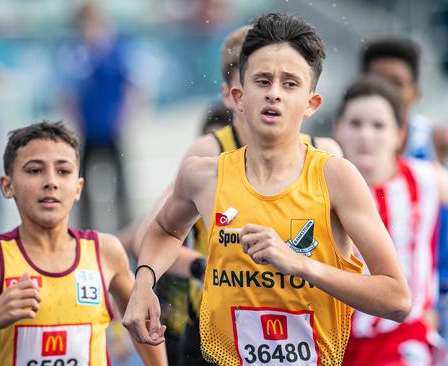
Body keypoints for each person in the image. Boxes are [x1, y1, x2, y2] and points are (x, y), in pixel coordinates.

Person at [123, 13, 412, 366]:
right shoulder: (203, 175)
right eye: (263, 81)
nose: (274, 93)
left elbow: (397, 299)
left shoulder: (336, 177)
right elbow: (164, 229)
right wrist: (144, 282)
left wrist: (302, 265)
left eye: (290, 83)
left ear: (311, 103)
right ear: (238, 96)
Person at [0, 121, 166, 365]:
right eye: (35, 170)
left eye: (63, 171)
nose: (51, 181)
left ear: (78, 188)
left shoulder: (105, 251)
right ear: (7, 186)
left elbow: (144, 329)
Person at [334, 76, 448, 365]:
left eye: (378, 126)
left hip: (402, 336)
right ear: (338, 129)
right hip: (335, 341)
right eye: (355, 124)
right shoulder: (322, 186)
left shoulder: (423, 179)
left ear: (399, 135)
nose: (366, 135)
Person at [62, 2, 133, 231]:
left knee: (121, 184)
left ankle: (125, 228)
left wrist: (123, 119)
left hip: (112, 129)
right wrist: (76, 123)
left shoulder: (116, 54)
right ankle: (85, 230)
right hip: (88, 131)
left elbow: (132, 88)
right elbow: (68, 94)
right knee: (83, 185)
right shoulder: (77, 57)